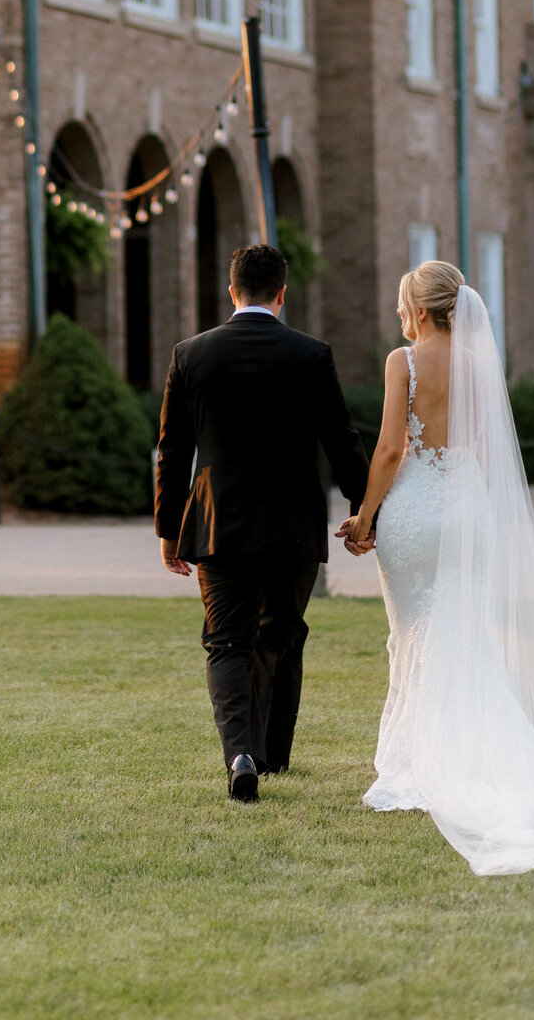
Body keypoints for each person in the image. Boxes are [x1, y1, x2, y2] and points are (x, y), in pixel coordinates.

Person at [338, 260, 534, 875]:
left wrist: (364, 517)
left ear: (419, 310)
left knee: (415, 634)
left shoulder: (405, 361)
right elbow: (483, 449)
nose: (399, 315)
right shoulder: (480, 364)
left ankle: (425, 764)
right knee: (464, 633)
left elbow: (392, 449)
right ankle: (474, 757)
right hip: (466, 505)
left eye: (402, 305)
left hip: (416, 510)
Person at [155, 242, 370, 802]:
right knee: (281, 637)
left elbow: (172, 451)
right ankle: (271, 755)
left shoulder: (190, 354)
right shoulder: (311, 354)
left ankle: (239, 754)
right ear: (281, 294)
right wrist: (363, 507)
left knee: (227, 643)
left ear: (232, 292)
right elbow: (340, 439)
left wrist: (167, 530)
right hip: (293, 525)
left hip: (217, 523)